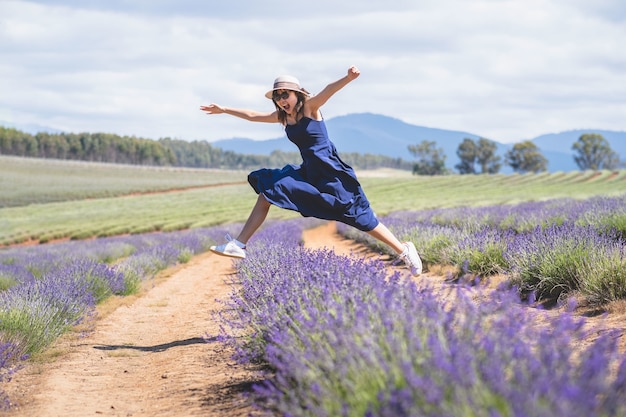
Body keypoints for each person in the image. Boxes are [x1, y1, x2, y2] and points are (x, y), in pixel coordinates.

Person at [199, 66, 422, 275]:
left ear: (297, 94)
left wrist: (348, 78)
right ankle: (239, 244)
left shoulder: (310, 108)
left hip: (331, 172)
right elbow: (252, 115)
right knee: (268, 191)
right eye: (277, 96)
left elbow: (327, 91)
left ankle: (403, 250)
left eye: (285, 94)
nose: (281, 100)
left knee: (360, 218)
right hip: (309, 172)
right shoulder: (284, 117)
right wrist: (224, 109)